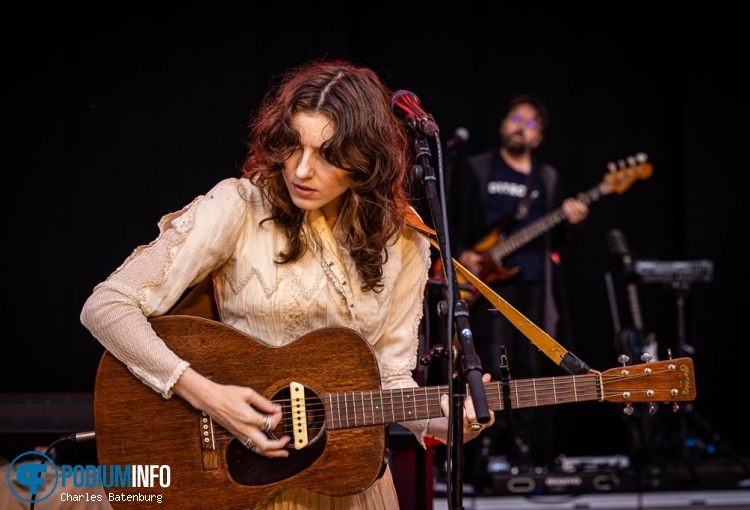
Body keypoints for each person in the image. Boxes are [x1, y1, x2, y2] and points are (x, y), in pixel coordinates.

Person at [80, 59, 494, 509]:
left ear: (366, 160)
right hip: (243, 482)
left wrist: (452, 423)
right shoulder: (240, 206)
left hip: (348, 485)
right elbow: (107, 305)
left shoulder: (405, 242)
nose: (300, 170)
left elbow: (390, 378)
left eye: (327, 155)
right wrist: (206, 394)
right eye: (294, 146)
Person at [446, 94, 589, 484]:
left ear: (539, 136)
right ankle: (479, 465)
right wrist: (463, 255)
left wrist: (573, 222)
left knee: (530, 371)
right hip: (486, 288)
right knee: (487, 369)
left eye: (529, 124)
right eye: (514, 119)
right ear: (502, 125)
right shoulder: (476, 169)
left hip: (533, 288)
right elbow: (450, 219)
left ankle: (526, 459)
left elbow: (559, 238)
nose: (519, 127)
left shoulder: (547, 178)